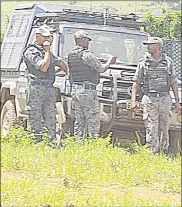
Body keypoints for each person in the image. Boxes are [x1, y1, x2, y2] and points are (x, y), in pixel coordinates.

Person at [131, 37, 180, 153]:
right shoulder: (143, 63)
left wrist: (177, 101)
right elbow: (136, 82)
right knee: (151, 126)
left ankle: (164, 151)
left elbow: (173, 82)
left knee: (164, 125)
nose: (148, 47)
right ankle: (152, 151)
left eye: (150, 45)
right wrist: (133, 100)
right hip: (150, 98)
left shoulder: (167, 62)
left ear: (158, 46)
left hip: (164, 97)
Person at [68, 30, 117, 138]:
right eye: (87, 40)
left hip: (76, 89)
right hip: (87, 90)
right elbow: (101, 68)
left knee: (79, 119)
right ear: (82, 40)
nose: (88, 43)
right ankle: (93, 142)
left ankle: (78, 142)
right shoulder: (86, 55)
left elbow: (70, 75)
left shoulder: (71, 55)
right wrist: (110, 61)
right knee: (93, 118)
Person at [23, 25, 68, 142]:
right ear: (38, 38)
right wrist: (47, 51)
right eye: (47, 37)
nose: (50, 40)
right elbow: (43, 67)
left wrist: (56, 70)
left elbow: (62, 65)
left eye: (50, 37)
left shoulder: (48, 54)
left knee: (50, 115)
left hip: (48, 87)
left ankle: (51, 141)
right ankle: (36, 141)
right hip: (36, 87)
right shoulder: (31, 51)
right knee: (36, 116)